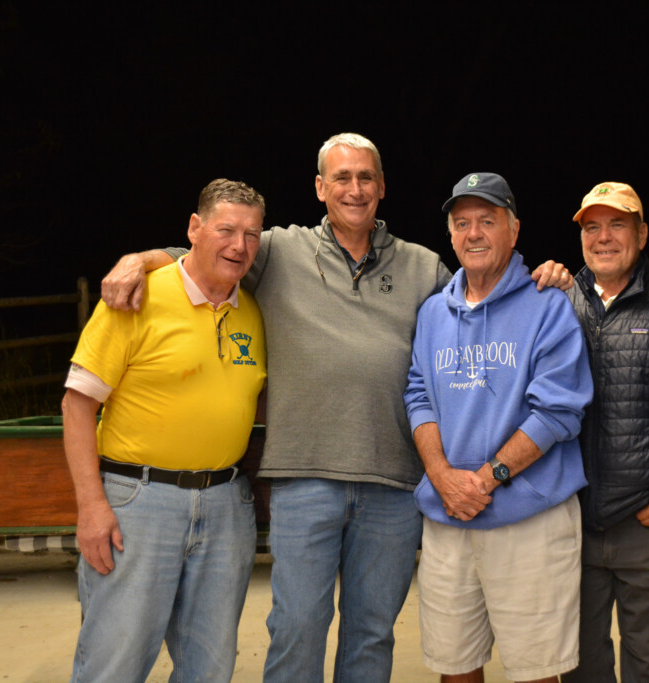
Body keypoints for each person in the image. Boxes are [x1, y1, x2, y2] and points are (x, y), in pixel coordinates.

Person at [98, 134, 572, 683]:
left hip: (393, 484)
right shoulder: (277, 251)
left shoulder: (423, 267)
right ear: (320, 187)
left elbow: (484, 292)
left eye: (366, 177)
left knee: (371, 633)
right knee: (297, 626)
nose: (355, 188)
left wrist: (548, 274)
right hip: (304, 479)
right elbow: (200, 253)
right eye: (341, 178)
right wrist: (138, 259)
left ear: (382, 187)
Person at [61, 179, 267, 682]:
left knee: (210, 668)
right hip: (139, 502)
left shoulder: (254, 311)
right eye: (226, 230)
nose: (239, 246)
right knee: (115, 661)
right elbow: (76, 405)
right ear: (194, 229)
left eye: (252, 234)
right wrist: (91, 507)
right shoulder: (137, 297)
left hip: (224, 506)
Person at [405, 172, 592, 683]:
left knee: (536, 671)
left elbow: (557, 411)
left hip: (528, 519)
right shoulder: (431, 313)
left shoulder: (547, 305)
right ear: (450, 235)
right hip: (449, 516)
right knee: (455, 667)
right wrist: (442, 475)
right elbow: (418, 394)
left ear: (513, 230)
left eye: (487, 221)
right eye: (462, 223)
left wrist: (484, 479)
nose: (474, 234)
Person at [561, 182, 649, 683]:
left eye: (617, 224)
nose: (603, 238)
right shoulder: (555, 303)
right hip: (571, 527)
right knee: (579, 670)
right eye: (591, 227)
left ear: (641, 234)